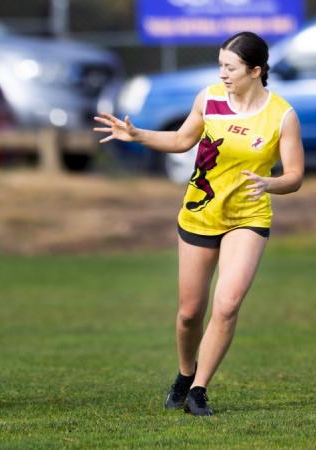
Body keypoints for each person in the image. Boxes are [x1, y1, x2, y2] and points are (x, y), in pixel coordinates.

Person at [94, 32, 304, 416]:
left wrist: (271, 183)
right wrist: (137, 134)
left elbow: (294, 175)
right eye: (220, 64)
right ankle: (184, 374)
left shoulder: (282, 115)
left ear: (255, 71)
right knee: (190, 312)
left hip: (248, 218)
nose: (222, 73)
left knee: (226, 305)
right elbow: (180, 140)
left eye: (231, 67)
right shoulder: (208, 99)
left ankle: (200, 389)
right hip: (200, 212)